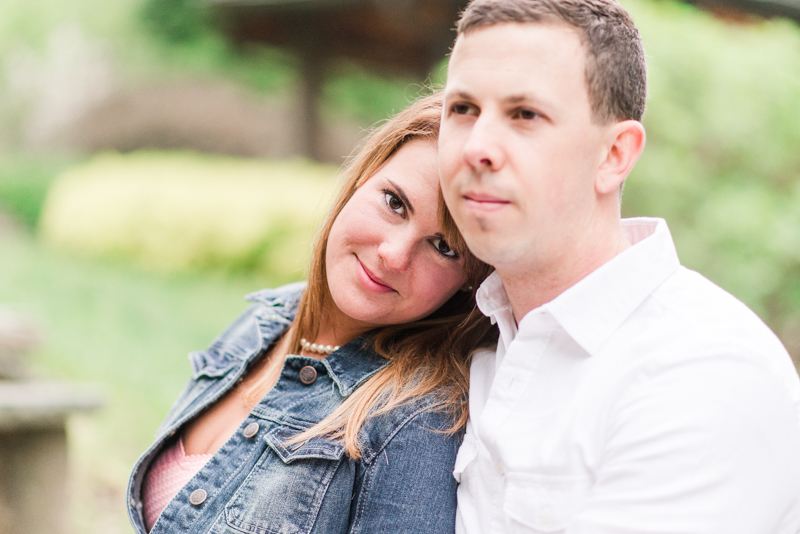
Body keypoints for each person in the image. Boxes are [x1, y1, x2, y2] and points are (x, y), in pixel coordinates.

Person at [437, 1, 800, 532]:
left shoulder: (705, 370)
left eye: (525, 115)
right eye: (463, 109)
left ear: (614, 154)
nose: (478, 148)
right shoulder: (467, 337)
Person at [126, 92, 497, 534]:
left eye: (444, 247)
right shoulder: (268, 316)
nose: (394, 256)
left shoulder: (415, 420)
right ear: (361, 178)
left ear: (468, 280)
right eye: (395, 203)